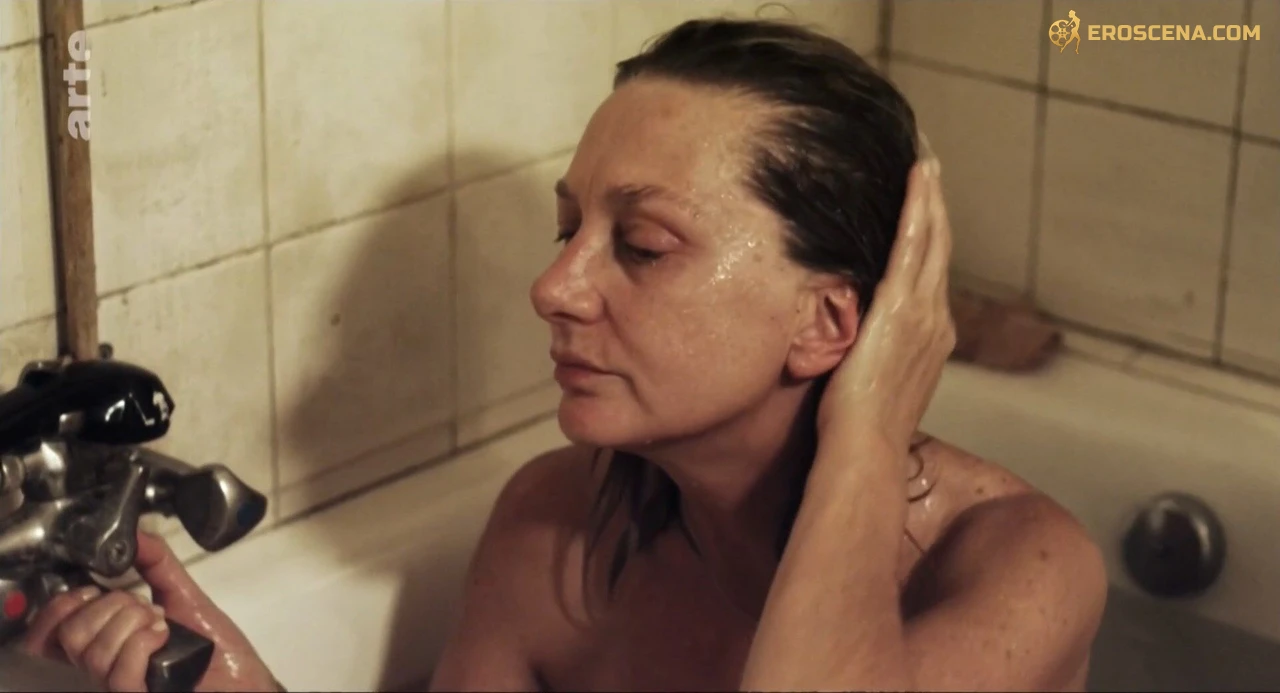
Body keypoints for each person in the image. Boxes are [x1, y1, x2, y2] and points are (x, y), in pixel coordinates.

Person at [21, 16, 1107, 693]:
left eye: (642, 246)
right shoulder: (558, 531)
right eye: (566, 229)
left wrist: (866, 432)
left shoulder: (1019, 568)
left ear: (829, 323)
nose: (553, 287)